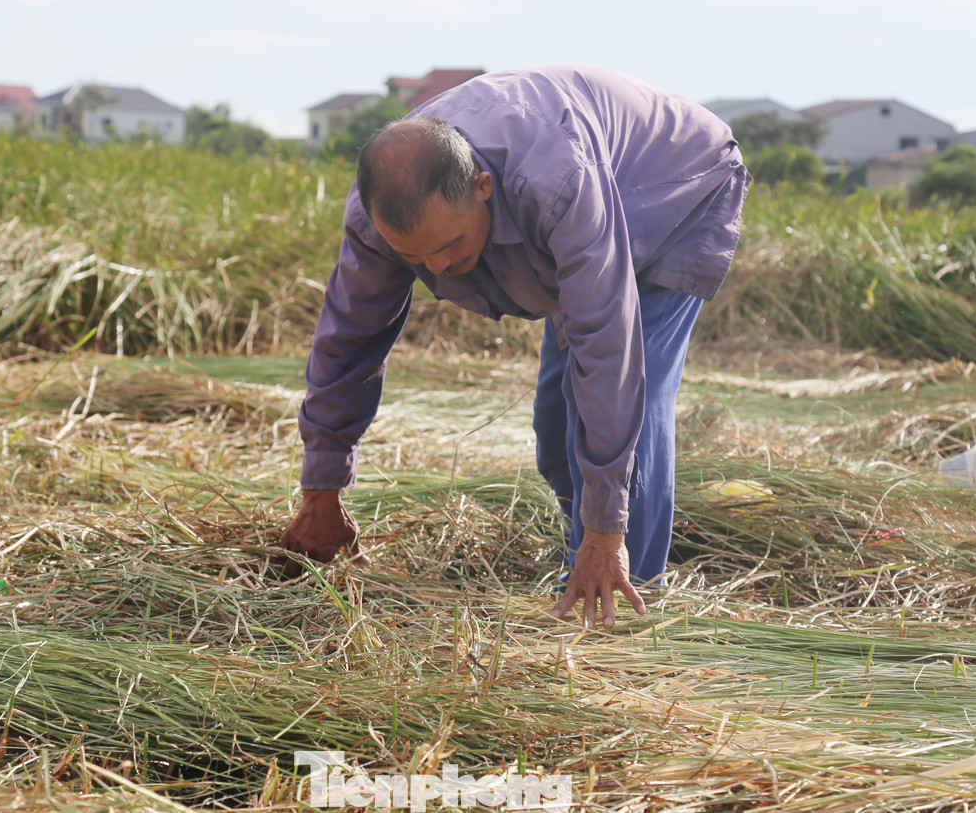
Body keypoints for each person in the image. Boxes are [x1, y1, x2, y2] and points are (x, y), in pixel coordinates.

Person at [279, 64, 749, 629]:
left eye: (449, 245)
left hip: (673, 188)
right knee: (558, 427)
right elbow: (348, 342)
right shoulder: (382, 217)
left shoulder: (557, 183)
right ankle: (580, 559)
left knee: (623, 402)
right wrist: (322, 491)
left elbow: (608, 353)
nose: (438, 269)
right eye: (415, 258)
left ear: (481, 188)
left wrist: (607, 528)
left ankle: (620, 604)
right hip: (578, 206)